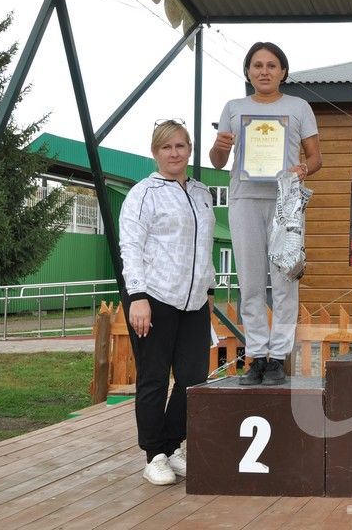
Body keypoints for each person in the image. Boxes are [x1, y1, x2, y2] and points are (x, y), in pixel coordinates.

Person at [210, 42, 322, 385]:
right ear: (247, 71)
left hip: (285, 201)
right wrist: (220, 147)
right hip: (245, 198)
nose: (264, 71)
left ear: (283, 72)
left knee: (285, 279)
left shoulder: (299, 106)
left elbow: (316, 159)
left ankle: (278, 357)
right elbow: (217, 161)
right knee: (251, 280)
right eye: (257, 65)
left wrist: (302, 169)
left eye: (272, 65)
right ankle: (257, 354)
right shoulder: (234, 107)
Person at [120, 119, 216, 485]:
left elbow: (204, 247)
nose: (174, 153)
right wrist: (137, 296)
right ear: (155, 152)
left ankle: (172, 446)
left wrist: (208, 293)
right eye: (166, 147)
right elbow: (130, 246)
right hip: (155, 298)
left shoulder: (202, 193)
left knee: (194, 378)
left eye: (180, 146)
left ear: (189, 150)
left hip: (193, 302)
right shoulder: (143, 193)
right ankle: (154, 455)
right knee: (154, 379)